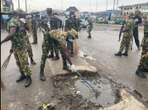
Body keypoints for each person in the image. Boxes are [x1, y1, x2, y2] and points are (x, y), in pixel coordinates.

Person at [1, 10, 32, 87]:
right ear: (17, 15)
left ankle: (29, 77)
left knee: (23, 62)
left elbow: (12, 34)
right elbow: (24, 32)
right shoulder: (20, 21)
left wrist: (2, 42)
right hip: (17, 45)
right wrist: (12, 47)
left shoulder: (13, 22)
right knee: (19, 62)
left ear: (12, 15)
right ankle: (23, 75)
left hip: (20, 46)